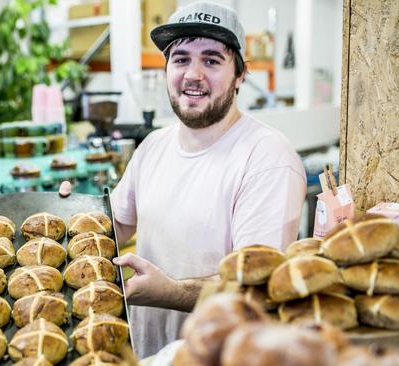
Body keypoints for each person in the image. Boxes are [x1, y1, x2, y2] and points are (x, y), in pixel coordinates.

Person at [110, 1, 307, 358]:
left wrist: (167, 291)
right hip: (147, 355)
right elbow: (117, 225)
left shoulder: (267, 158)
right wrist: (71, 215)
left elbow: (256, 290)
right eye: (181, 58)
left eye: (212, 60)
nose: (193, 74)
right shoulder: (153, 146)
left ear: (240, 75)